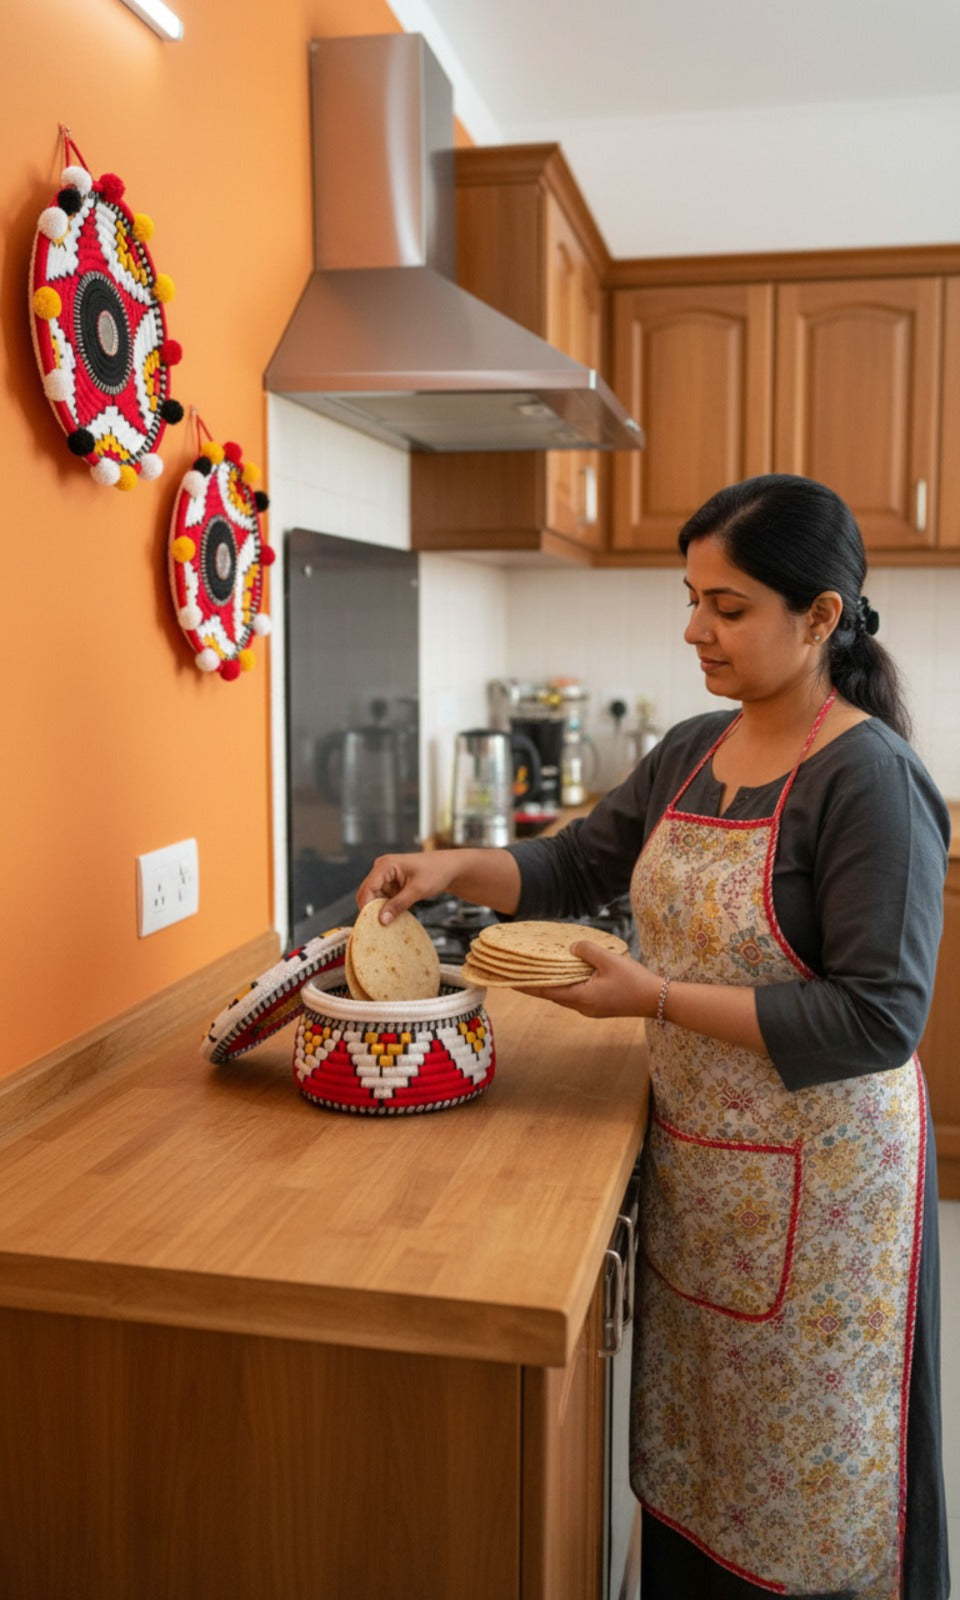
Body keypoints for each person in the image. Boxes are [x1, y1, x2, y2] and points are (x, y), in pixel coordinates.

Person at [356, 474, 951, 1600]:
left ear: (821, 615)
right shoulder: (693, 748)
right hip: (714, 1175)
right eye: (693, 599)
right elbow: (570, 863)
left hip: (828, 1203)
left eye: (728, 607)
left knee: (807, 1490)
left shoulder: (868, 777)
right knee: (701, 1464)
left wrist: (655, 998)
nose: (695, 629)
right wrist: (443, 864)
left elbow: (880, 1016)